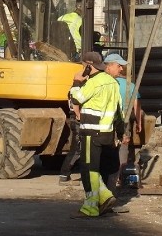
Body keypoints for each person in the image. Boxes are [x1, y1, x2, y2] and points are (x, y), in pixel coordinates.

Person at [68, 51, 121, 218]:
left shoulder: (95, 82)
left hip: (92, 131)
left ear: (89, 66)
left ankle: (90, 208)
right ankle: (105, 195)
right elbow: (119, 111)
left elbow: (76, 98)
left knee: (89, 170)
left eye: (84, 66)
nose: (83, 68)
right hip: (106, 132)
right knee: (93, 168)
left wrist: (76, 82)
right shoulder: (112, 82)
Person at [103, 52, 142, 192]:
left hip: (109, 124)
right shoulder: (128, 85)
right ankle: (119, 176)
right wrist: (139, 122)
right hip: (118, 122)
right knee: (123, 149)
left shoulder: (105, 82)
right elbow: (136, 105)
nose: (121, 69)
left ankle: (110, 180)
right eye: (119, 66)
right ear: (110, 66)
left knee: (110, 151)